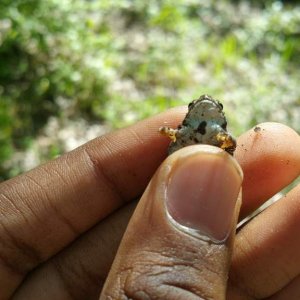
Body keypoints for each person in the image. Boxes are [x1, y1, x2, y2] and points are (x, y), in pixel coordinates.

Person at [0, 106, 299, 300]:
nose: (207, 104)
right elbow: (168, 134)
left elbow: (229, 144)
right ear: (192, 112)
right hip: (178, 165)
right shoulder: (185, 128)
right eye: (199, 104)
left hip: (204, 168)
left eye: (214, 106)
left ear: (219, 115)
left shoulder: (219, 133)